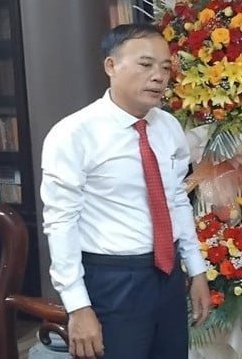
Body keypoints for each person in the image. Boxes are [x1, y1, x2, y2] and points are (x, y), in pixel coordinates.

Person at [40, 24, 211, 359]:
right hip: (113, 280)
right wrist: (78, 307)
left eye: (165, 67)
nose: (159, 76)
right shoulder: (74, 133)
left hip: (166, 273)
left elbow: (177, 200)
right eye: (146, 65)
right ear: (111, 66)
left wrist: (197, 269)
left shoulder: (168, 127)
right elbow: (60, 223)